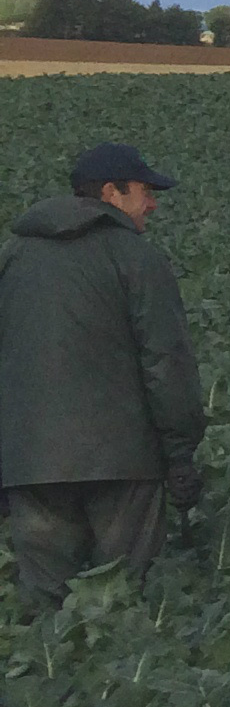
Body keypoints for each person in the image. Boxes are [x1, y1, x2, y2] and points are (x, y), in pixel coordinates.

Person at [0, 140, 206, 611]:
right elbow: (165, 363)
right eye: (144, 191)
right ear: (112, 192)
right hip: (123, 465)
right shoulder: (135, 258)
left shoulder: (12, 257)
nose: (152, 203)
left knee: (47, 615)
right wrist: (180, 454)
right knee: (121, 608)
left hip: (32, 464)